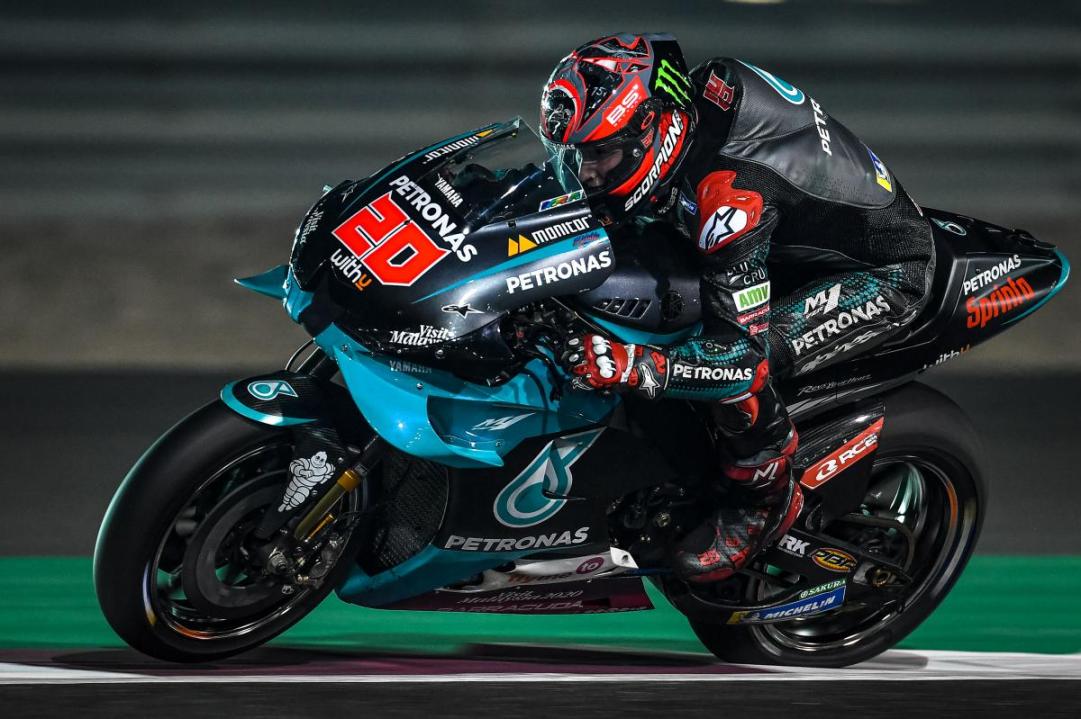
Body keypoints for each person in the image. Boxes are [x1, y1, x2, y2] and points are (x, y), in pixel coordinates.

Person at [541, 33, 934, 582]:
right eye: (574, 155)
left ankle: (764, 501)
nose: (586, 173)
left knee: (738, 370)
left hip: (882, 274)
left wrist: (635, 365)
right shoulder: (689, 102)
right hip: (788, 232)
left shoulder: (730, 200)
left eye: (599, 155)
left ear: (654, 129)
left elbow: (739, 360)